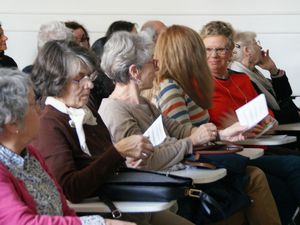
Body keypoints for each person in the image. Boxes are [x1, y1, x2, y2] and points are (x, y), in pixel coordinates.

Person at [99, 30, 282, 225]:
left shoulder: (143, 103)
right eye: (153, 63)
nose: (157, 67)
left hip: (170, 180)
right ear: (135, 72)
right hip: (148, 194)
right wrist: (192, 141)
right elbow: (145, 159)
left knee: (240, 201)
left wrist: (223, 133)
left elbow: (180, 131)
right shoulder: (114, 110)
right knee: (243, 191)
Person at [30, 40, 193, 225]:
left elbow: (102, 165)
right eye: (79, 79)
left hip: (121, 204)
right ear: (56, 80)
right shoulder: (49, 125)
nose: (89, 85)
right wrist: (118, 152)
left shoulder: (86, 114)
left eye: (89, 77)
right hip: (102, 214)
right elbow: (70, 190)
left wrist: (125, 162)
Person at [0, 68, 135, 225]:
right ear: (12, 122)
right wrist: (102, 223)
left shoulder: (31, 154)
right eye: (32, 104)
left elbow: (65, 211)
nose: (39, 108)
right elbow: (22, 222)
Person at [200, 20, 300, 224]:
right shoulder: (197, 83)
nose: (214, 56)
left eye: (220, 50)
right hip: (232, 151)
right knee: (292, 168)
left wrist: (269, 120)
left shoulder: (241, 79)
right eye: (208, 49)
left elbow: (266, 111)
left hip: (259, 145)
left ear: (230, 51)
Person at [229, 31, 300, 124]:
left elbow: (284, 95)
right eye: (256, 43)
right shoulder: (240, 77)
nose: (261, 47)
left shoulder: (254, 73)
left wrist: (273, 70)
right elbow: (264, 114)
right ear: (247, 50)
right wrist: (297, 114)